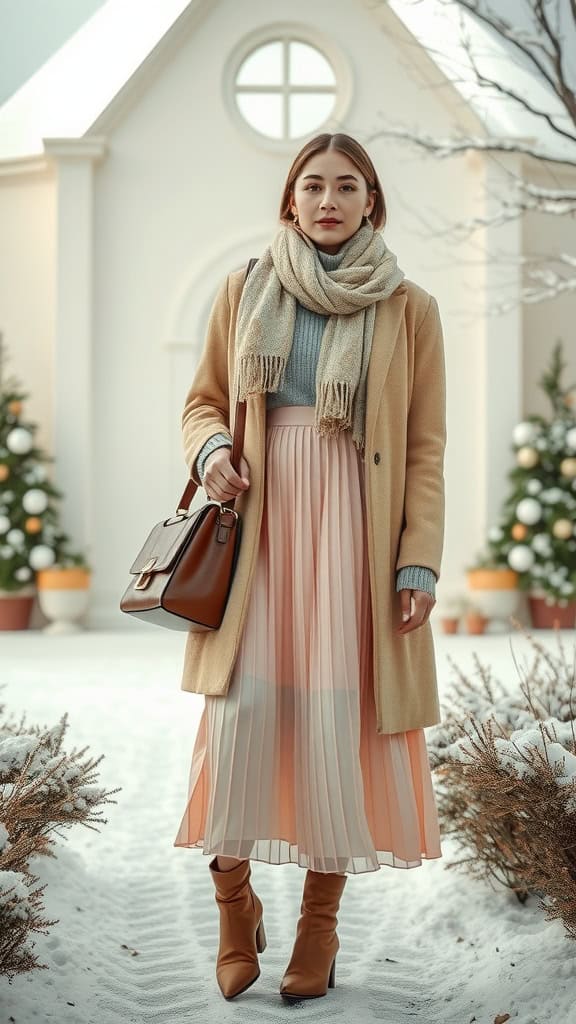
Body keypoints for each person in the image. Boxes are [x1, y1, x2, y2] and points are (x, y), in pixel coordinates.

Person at [174, 132, 447, 1003]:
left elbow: (425, 453)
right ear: (289, 199)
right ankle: (232, 904)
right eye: (312, 185)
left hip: (356, 547)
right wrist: (213, 446)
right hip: (261, 535)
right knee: (244, 717)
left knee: (335, 724)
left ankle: (318, 931)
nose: (328, 200)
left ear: (372, 201)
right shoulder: (242, 289)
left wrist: (417, 563)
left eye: (347, 186)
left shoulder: (409, 308)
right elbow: (203, 401)